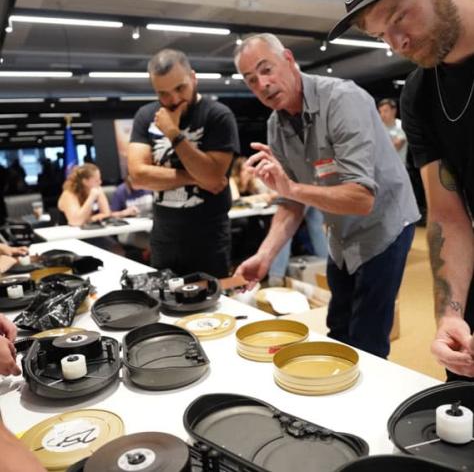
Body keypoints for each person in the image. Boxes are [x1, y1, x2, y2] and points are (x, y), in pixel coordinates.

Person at [234, 34, 419, 358]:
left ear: (289, 60)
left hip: (384, 226)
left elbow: (362, 198)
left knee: (367, 338)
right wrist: (264, 257)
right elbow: (290, 202)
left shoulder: (342, 100)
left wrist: (291, 189)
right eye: (251, 80)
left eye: (267, 70)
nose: (262, 84)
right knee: (338, 329)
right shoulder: (276, 125)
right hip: (340, 234)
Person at [329, 0, 474, 379]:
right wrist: (450, 314)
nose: (397, 44)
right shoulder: (419, 94)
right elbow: (448, 217)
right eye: (381, 35)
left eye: (398, 17)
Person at [128, 49, 240, 278]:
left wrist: (173, 133)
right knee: (164, 309)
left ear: (193, 77)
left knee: (211, 311)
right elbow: (138, 176)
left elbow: (211, 176)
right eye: (164, 94)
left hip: (208, 242)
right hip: (163, 239)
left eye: (180, 88)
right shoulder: (145, 115)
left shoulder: (217, 115)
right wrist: (193, 176)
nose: (174, 100)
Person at [58, 163, 136, 226]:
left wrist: (89, 219)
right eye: (96, 180)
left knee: (114, 245)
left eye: (100, 179)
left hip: (90, 230)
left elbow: (106, 214)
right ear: (85, 182)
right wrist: (91, 197)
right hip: (70, 235)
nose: (100, 182)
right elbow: (76, 222)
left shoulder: (97, 189)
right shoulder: (69, 194)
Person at [377, 98, 407, 165]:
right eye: (380, 112)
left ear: (394, 111)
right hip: (381, 168)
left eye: (385, 111)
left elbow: (396, 147)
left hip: (398, 167)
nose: (382, 114)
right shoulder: (377, 127)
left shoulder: (401, 125)